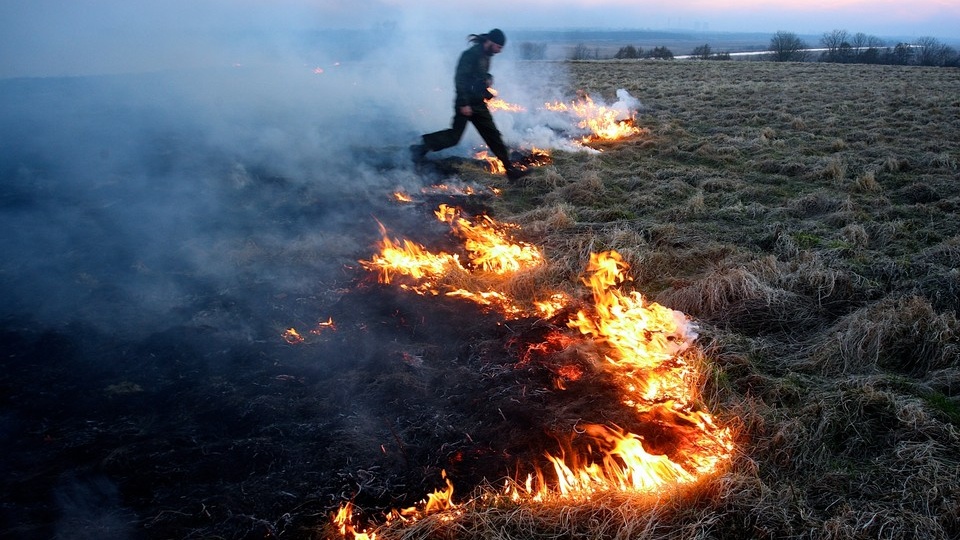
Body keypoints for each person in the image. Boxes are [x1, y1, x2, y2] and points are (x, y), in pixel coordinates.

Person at [411, 28, 530, 182]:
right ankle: (420, 146)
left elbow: (477, 78)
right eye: (498, 47)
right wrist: (464, 104)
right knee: (454, 137)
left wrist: (488, 80)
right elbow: (460, 80)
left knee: (493, 135)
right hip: (465, 103)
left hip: (478, 104)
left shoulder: (487, 55)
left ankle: (510, 170)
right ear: (491, 42)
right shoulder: (470, 55)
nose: (499, 51)